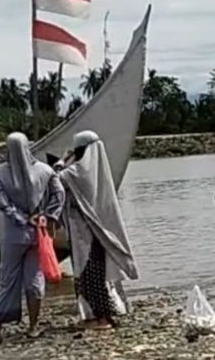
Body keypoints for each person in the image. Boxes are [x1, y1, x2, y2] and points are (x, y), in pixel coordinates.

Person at [0, 132, 65, 344]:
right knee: (34, 279)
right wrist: (47, 216)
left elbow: (4, 206)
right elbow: (59, 194)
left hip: (14, 234)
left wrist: (23, 219)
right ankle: (33, 326)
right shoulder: (45, 171)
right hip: (39, 233)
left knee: (8, 279)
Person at [56, 130, 138, 330]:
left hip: (83, 234)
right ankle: (105, 314)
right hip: (98, 233)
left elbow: (55, 179)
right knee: (99, 274)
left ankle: (97, 318)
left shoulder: (77, 172)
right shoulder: (98, 172)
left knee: (88, 275)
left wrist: (62, 160)